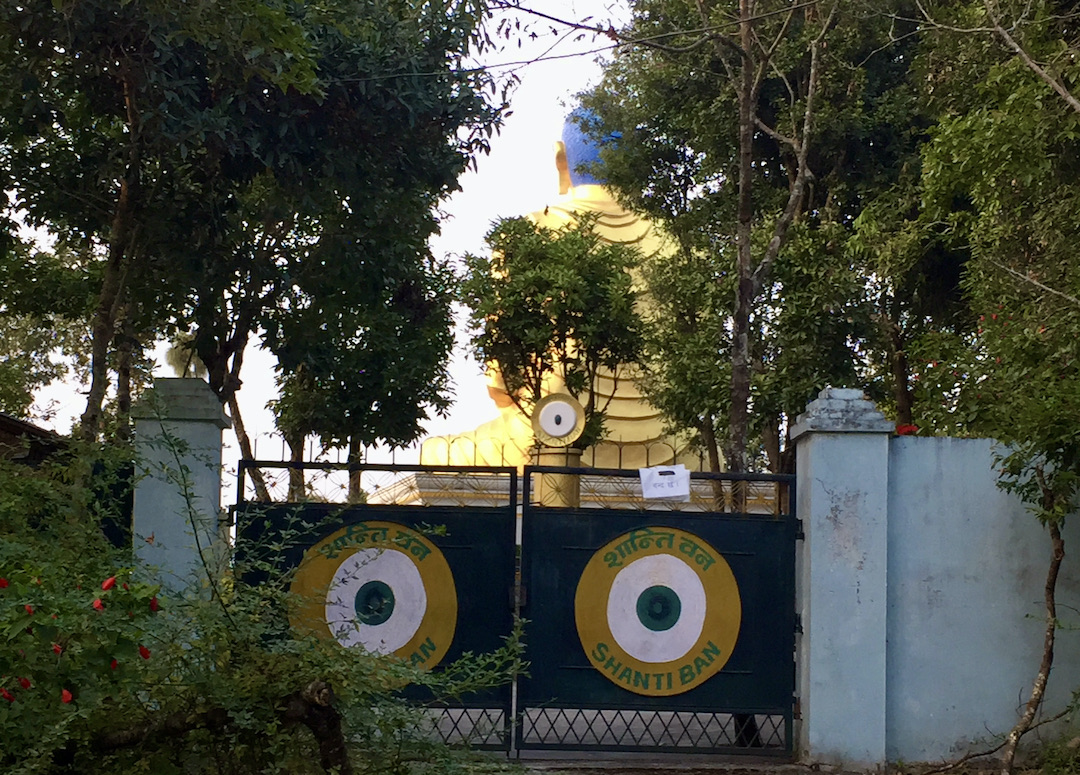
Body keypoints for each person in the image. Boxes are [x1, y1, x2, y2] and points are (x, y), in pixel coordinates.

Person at [420, 114, 702, 471]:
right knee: (713, 456)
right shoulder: (681, 242)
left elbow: (503, 381)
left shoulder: (529, 233)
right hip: (673, 452)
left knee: (438, 454)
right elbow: (702, 369)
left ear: (561, 158)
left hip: (540, 441)